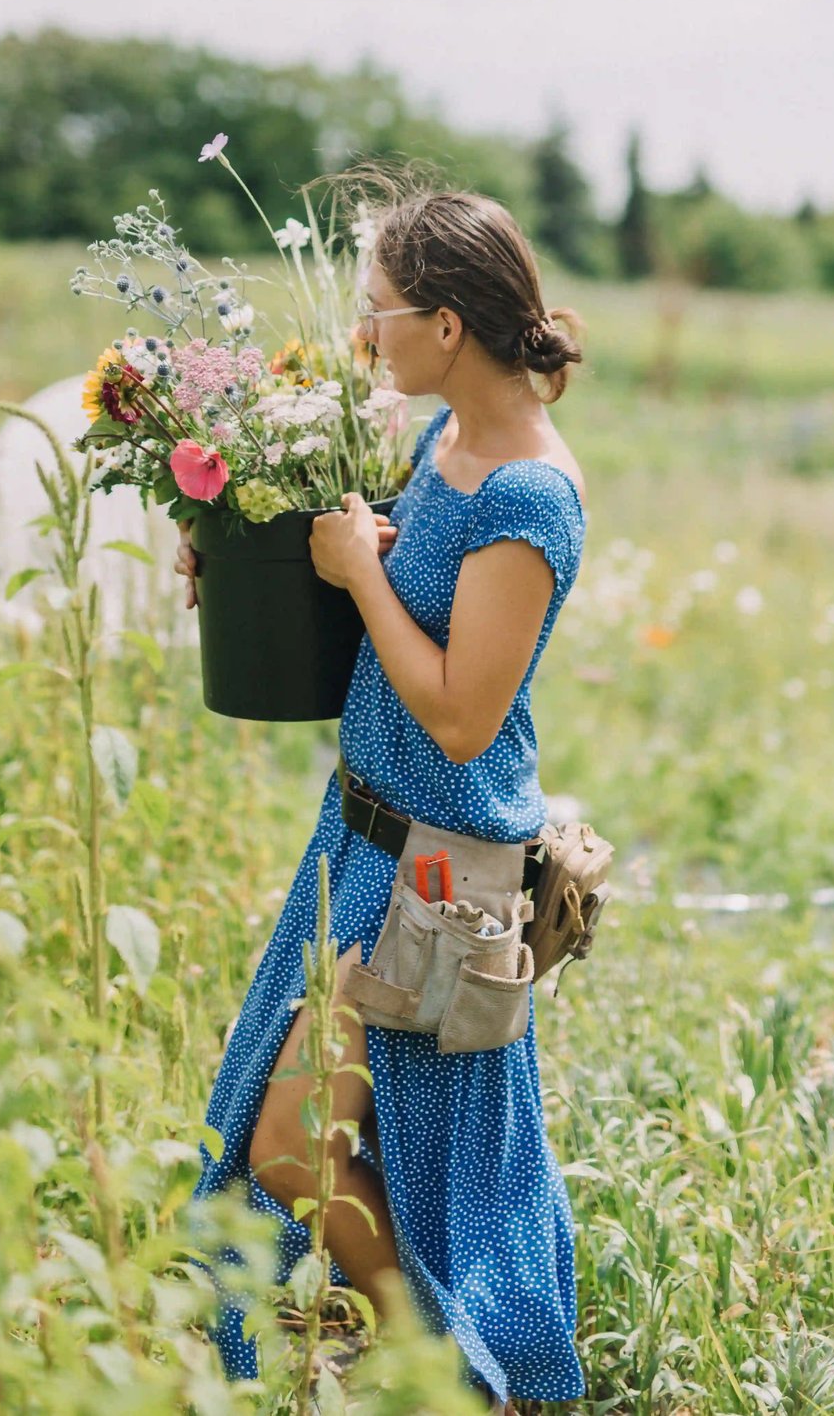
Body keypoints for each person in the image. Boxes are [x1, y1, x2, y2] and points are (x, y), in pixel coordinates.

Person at [177, 173, 588, 1413]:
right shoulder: (446, 441)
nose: (366, 335)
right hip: (363, 838)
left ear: (447, 326)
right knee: (333, 1149)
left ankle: (442, 1371)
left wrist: (357, 572)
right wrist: (249, 564)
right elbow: (407, 592)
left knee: (301, 1153)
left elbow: (462, 719)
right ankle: (431, 1371)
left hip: (436, 869)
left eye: (381, 312)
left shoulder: (529, 496)